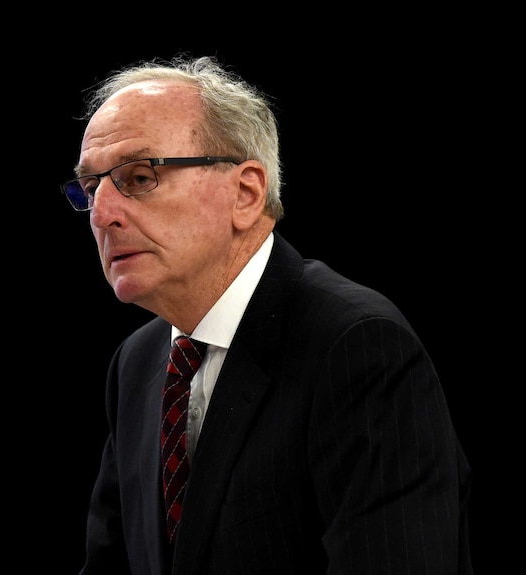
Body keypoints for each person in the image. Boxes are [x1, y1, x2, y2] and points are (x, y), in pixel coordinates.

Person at [65, 54, 473, 575]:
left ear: (246, 192)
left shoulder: (357, 348)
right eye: (91, 188)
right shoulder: (138, 362)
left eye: (140, 177)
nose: (101, 214)